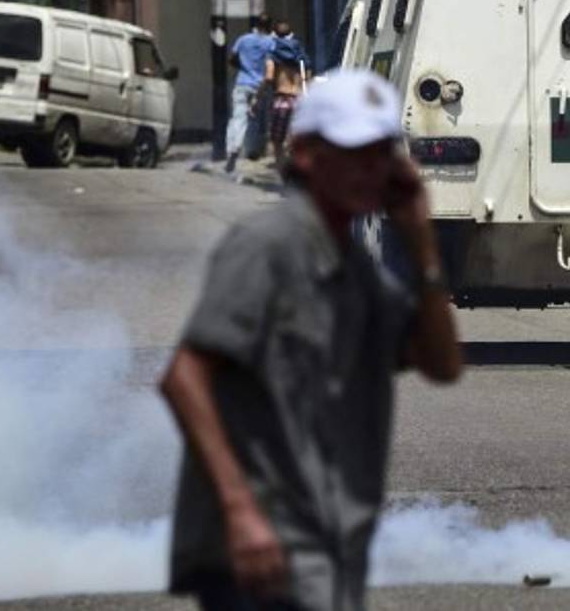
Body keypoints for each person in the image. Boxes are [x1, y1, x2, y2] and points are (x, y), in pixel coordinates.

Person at [160, 69, 462, 611]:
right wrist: (240, 512)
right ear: (305, 154)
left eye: (379, 154)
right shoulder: (268, 245)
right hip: (264, 546)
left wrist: (421, 241)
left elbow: (440, 363)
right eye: (352, 153)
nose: (369, 170)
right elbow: (186, 376)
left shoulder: (355, 269)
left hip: (324, 546)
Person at [224, 14, 275, 174]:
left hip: (242, 83)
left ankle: (234, 149)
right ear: (269, 26)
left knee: (238, 118)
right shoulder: (270, 43)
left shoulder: (243, 39)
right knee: (257, 120)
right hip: (260, 87)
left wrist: (243, 67)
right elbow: (272, 65)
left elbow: (231, 58)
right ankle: (253, 151)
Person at [264, 22, 308, 172]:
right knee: (296, 139)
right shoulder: (299, 53)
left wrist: (261, 91)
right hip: (298, 99)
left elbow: (269, 76)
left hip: (281, 99)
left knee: (277, 140)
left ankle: (283, 173)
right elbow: (306, 76)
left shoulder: (272, 52)